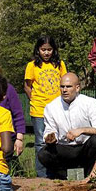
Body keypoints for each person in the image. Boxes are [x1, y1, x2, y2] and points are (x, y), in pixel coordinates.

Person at [38, 73, 96, 179]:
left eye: (68, 86)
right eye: (62, 86)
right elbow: (50, 129)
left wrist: (82, 130)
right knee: (43, 154)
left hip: (85, 147)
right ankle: (65, 178)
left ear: (77, 88)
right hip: (65, 148)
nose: (64, 90)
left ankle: (91, 175)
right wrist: (50, 137)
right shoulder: (51, 107)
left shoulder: (91, 104)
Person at [24, 36, 67, 178]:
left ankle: (57, 172)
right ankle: (41, 174)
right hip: (39, 109)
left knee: (58, 139)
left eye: (49, 49)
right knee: (40, 142)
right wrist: (35, 100)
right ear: (38, 50)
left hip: (57, 109)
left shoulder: (59, 64)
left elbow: (65, 82)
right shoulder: (32, 65)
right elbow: (27, 86)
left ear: (54, 50)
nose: (46, 53)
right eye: (43, 50)